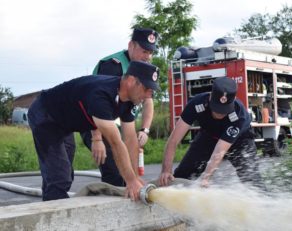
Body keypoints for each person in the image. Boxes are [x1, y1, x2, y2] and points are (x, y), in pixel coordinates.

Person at [28, 61, 159, 201]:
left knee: (59, 172)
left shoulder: (128, 101)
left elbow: (130, 139)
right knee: (59, 176)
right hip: (45, 115)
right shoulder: (101, 94)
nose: (148, 96)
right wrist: (130, 181)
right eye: (147, 89)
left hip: (65, 123)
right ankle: (53, 218)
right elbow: (116, 143)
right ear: (132, 81)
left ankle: (50, 202)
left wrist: (135, 177)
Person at [80, 28, 159, 186]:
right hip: (94, 121)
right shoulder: (113, 66)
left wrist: (145, 129)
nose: (148, 57)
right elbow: (96, 100)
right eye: (144, 51)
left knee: (129, 171)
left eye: (151, 52)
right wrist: (97, 138)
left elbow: (148, 101)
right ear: (131, 45)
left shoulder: (144, 70)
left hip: (115, 122)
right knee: (116, 173)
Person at [158, 77, 264, 189]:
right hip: (209, 136)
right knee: (183, 175)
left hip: (240, 141)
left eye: (224, 110)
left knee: (250, 178)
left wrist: (205, 178)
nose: (220, 114)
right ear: (210, 97)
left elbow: (219, 151)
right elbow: (173, 140)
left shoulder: (239, 114)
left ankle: (263, 202)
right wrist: (166, 170)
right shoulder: (196, 104)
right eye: (216, 109)